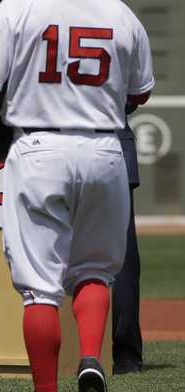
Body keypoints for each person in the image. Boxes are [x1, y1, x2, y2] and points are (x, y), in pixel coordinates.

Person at [0, 0, 154, 392]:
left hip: (40, 149)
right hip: (105, 149)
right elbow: (139, 94)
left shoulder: (19, 7)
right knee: (95, 272)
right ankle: (89, 358)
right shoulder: (123, 15)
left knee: (40, 287)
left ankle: (47, 388)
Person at [112, 116, 143, 374]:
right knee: (121, 258)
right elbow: (137, 95)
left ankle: (72, 347)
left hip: (53, 151)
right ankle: (125, 356)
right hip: (114, 149)